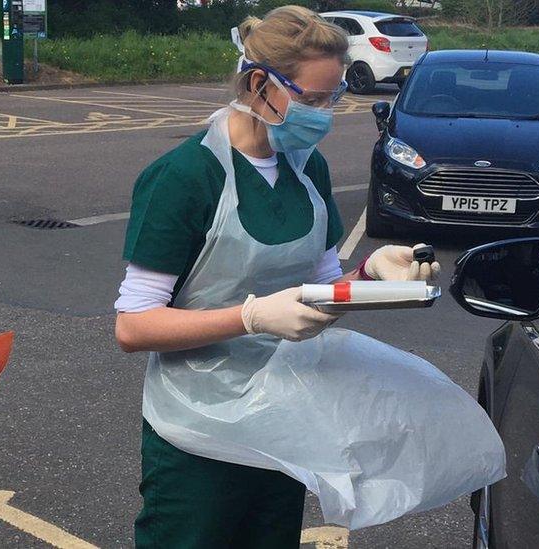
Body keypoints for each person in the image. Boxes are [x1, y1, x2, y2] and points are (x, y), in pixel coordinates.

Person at [114, 7, 440, 548]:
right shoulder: (184, 177)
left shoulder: (308, 168)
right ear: (259, 84)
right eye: (311, 99)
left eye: (333, 98)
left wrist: (374, 276)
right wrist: (252, 316)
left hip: (283, 415)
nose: (324, 113)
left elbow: (321, 294)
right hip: (198, 429)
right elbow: (134, 327)